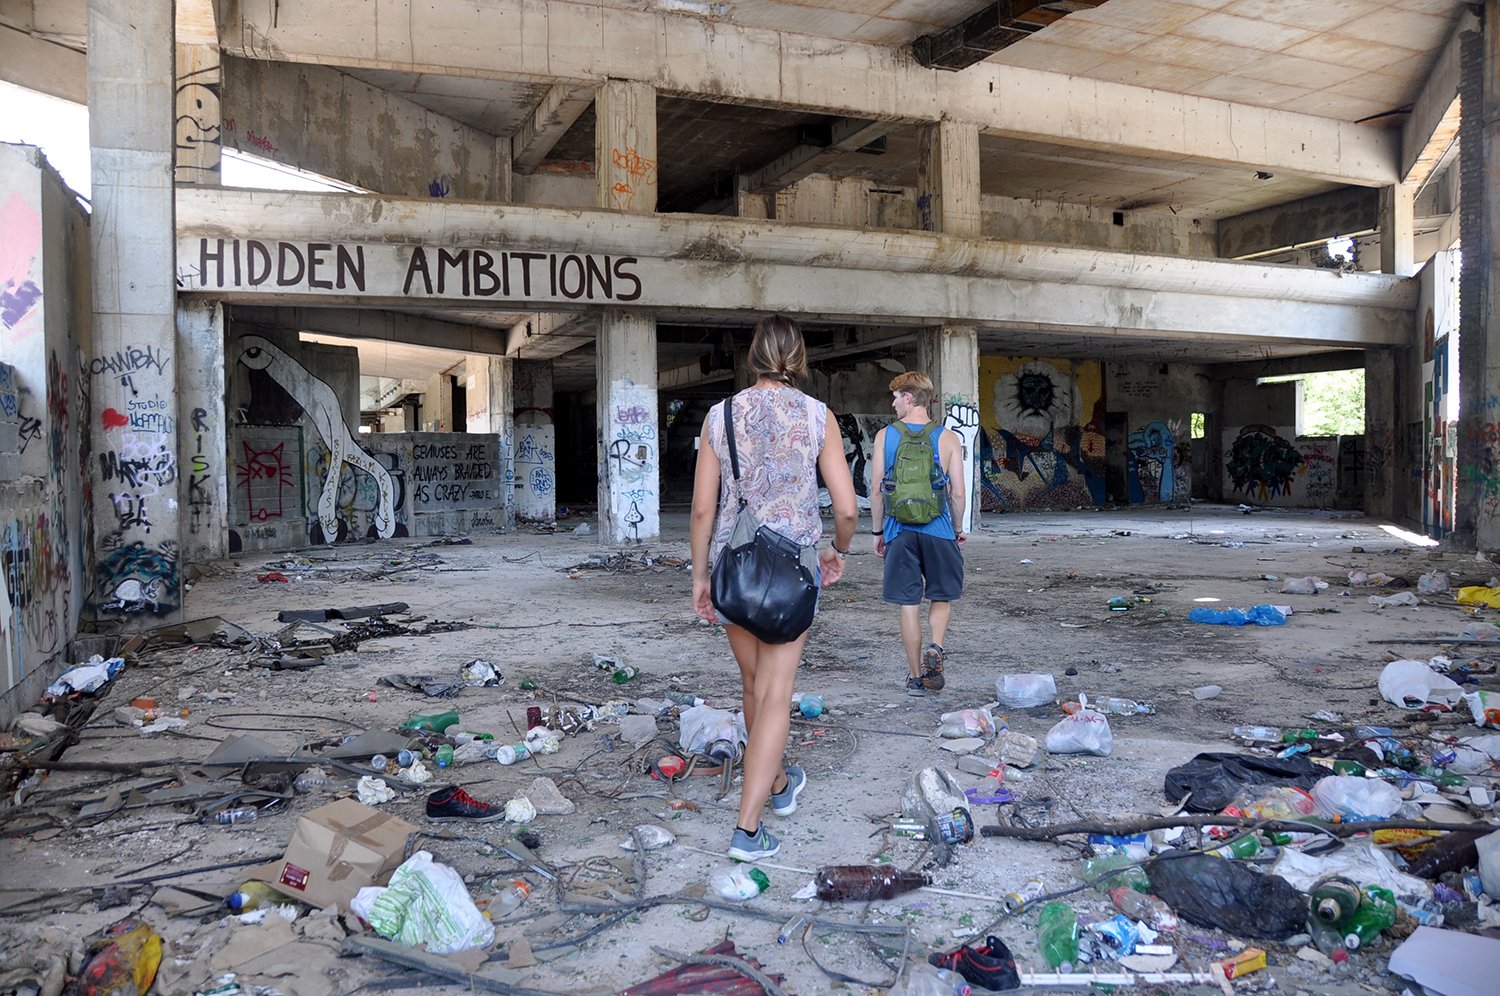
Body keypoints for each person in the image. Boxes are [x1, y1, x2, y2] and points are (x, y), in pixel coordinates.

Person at [690, 315, 857, 862]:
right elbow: (848, 508)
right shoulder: (817, 417)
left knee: (753, 682)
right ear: (799, 358)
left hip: (733, 570)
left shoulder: (722, 416)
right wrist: (838, 549)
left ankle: (779, 784)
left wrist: (699, 576)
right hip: (792, 573)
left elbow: (701, 509)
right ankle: (748, 828)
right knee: (776, 694)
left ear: (754, 356)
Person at [870, 372, 967, 696]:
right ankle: (936, 647)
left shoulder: (886, 436)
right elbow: (957, 493)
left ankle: (915, 677)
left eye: (896, 396)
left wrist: (878, 531)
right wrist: (956, 529)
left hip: (900, 532)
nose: (894, 402)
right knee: (941, 596)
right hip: (938, 530)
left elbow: (877, 491)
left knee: (908, 603)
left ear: (909, 397)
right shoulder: (948, 438)